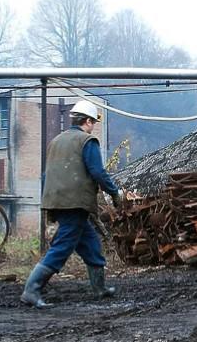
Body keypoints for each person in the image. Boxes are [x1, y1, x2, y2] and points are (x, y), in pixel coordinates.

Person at [21, 100, 123, 308]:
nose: (93, 125)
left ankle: (99, 288)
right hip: (75, 203)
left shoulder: (56, 141)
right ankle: (31, 290)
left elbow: (45, 174)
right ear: (86, 121)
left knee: (90, 244)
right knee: (62, 246)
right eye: (92, 122)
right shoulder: (87, 141)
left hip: (56, 201)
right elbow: (97, 172)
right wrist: (114, 193)